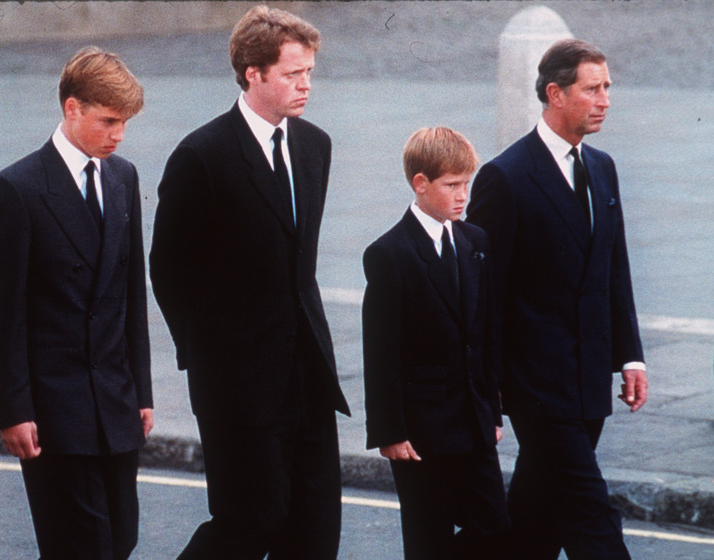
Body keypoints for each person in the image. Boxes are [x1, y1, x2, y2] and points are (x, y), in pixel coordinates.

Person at [150, 6, 350, 559]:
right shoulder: (202, 155)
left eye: (309, 71)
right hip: (236, 382)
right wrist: (209, 355)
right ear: (252, 73)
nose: (305, 84)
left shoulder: (315, 146)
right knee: (249, 523)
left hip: (308, 371)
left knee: (314, 533)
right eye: (292, 73)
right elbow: (168, 268)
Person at [466, 38, 647, 560]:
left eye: (607, 87)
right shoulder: (507, 176)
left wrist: (629, 355)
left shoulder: (603, 167)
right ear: (555, 93)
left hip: (589, 379)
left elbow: (614, 268)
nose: (605, 99)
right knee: (591, 514)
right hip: (535, 386)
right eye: (592, 89)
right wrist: (488, 384)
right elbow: (482, 291)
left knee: (534, 521)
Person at [0, 46, 152, 560]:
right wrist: (12, 410)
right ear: (71, 108)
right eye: (109, 121)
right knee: (80, 547)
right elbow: (0, 314)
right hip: (53, 410)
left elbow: (130, 294)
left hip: (115, 402)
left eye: (125, 123)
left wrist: (141, 390)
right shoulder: (17, 189)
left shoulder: (124, 178)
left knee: (121, 539)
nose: (118, 135)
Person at [362, 127, 509, 559]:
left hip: (473, 421)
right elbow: (381, 349)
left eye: (467, 183)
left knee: (495, 528)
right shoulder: (390, 253)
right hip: (420, 431)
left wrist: (492, 409)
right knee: (428, 538)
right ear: (420, 184)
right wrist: (389, 431)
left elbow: (485, 335)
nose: (463, 195)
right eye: (451, 185)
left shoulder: (474, 241)